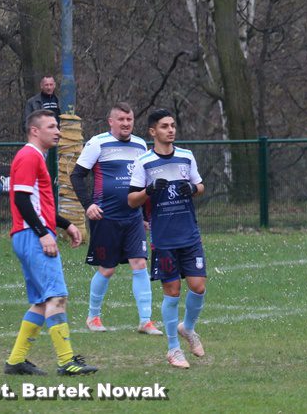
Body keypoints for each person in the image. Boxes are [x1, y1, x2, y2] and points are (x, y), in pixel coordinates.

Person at [4, 109, 98, 376]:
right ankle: (67, 362)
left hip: (28, 235)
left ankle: (15, 362)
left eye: (58, 126)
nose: (58, 131)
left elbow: (36, 202)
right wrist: (43, 233)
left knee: (42, 302)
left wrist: (65, 224)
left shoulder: (36, 157)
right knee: (57, 297)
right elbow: (21, 200)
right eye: (51, 126)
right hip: (33, 235)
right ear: (35, 131)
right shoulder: (29, 156)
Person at [69, 102, 161, 335]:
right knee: (107, 268)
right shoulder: (97, 143)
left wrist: (144, 215)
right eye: (121, 119)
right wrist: (88, 205)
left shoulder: (141, 145)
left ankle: (146, 321)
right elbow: (77, 176)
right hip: (105, 217)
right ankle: (93, 317)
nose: (126, 123)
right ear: (111, 122)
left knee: (140, 263)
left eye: (129, 119)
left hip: (132, 218)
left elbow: (143, 183)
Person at [128, 109, 207, 369]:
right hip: (163, 239)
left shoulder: (186, 156)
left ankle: (188, 328)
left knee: (198, 286)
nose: (170, 130)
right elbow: (132, 200)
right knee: (172, 292)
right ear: (153, 131)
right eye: (164, 126)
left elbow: (200, 186)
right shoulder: (144, 162)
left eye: (172, 125)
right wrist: (148, 190)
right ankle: (173, 348)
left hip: (190, 235)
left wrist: (193, 188)